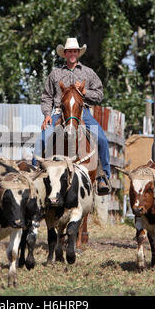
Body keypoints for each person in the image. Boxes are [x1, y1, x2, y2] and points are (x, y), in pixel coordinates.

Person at [32, 37, 111, 194]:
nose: (72, 54)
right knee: (41, 139)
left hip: (83, 112)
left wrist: (85, 92)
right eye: (69, 51)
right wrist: (47, 115)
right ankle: (35, 173)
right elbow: (47, 96)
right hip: (59, 113)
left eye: (75, 51)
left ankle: (103, 177)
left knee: (102, 139)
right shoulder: (55, 74)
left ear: (78, 53)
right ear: (65, 54)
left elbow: (99, 94)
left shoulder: (88, 73)